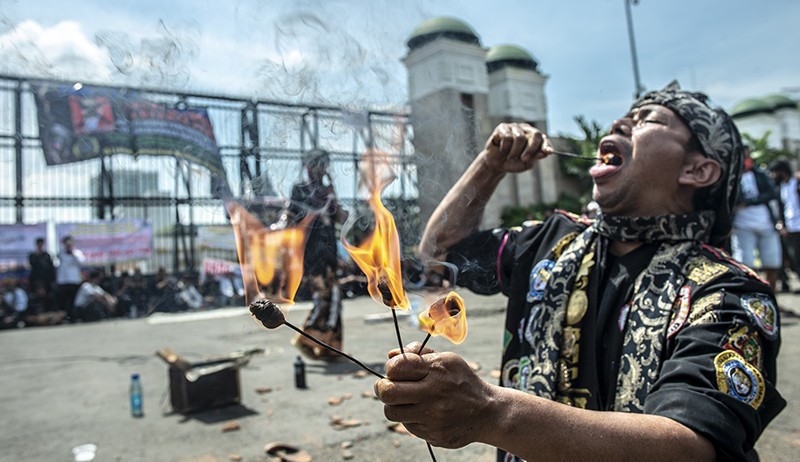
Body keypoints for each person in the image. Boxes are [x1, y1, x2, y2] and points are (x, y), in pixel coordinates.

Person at [374, 82, 785, 461]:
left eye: (649, 120)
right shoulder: (551, 241)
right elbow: (439, 253)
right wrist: (490, 164)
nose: (620, 122)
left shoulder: (728, 292)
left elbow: (688, 446)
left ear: (697, 171)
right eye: (626, 114)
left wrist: (491, 413)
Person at [288, 148, 348, 360]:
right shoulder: (300, 190)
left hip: (329, 253)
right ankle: (306, 338)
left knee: (333, 300)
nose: (321, 170)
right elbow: (291, 220)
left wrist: (333, 196)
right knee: (326, 297)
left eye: (324, 165)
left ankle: (329, 347)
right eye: (317, 164)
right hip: (312, 254)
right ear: (308, 166)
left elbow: (341, 219)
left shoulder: (327, 192)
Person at [731, 148, 782, 290]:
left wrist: (748, 203)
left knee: (772, 263)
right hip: (742, 226)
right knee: (745, 264)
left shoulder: (760, 175)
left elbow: (772, 193)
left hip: (766, 225)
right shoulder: (731, 178)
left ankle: (772, 297)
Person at [769, 160, 800, 293]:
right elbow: (781, 207)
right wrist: (781, 224)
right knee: (793, 257)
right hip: (790, 227)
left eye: (775, 172)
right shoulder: (779, 187)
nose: (773, 175)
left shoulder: (797, 183)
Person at [55, 235, 85, 322]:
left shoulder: (77, 252)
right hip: (63, 280)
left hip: (74, 280)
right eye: (66, 243)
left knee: (73, 300)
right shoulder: (61, 252)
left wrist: (72, 252)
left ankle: (73, 317)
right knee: (64, 300)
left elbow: (81, 261)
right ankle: (65, 317)